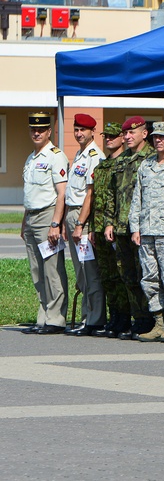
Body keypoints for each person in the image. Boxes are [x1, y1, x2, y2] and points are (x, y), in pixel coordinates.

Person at [130, 122, 164, 342]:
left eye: (163, 136)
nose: (158, 140)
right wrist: (135, 227)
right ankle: (158, 321)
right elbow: (137, 198)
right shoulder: (146, 165)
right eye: (155, 137)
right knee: (149, 278)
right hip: (147, 230)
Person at [104, 115, 154, 339]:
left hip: (142, 228)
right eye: (125, 133)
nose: (127, 136)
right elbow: (110, 193)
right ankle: (137, 317)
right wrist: (109, 221)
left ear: (144, 133)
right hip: (122, 227)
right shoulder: (122, 160)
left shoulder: (152, 157)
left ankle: (150, 318)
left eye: (132, 132)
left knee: (146, 275)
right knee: (127, 276)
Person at [20, 112, 69, 334]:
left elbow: (62, 193)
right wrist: (24, 222)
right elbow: (30, 193)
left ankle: (56, 318)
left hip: (48, 216)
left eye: (41, 129)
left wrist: (56, 223)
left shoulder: (55, 156)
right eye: (33, 129)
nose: (36, 132)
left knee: (52, 270)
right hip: (31, 217)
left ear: (49, 131)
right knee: (36, 271)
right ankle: (43, 316)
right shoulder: (31, 157)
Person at [63, 113, 106, 335]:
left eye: (83, 130)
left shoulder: (94, 156)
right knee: (80, 272)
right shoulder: (79, 154)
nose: (79, 133)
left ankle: (95, 319)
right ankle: (86, 316)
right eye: (76, 129)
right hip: (72, 215)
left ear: (92, 132)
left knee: (90, 271)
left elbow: (91, 194)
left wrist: (80, 223)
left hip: (83, 218)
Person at [90, 121, 130, 337]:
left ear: (122, 138)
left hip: (117, 227)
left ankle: (124, 317)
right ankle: (113, 315)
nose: (109, 140)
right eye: (106, 136)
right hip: (99, 226)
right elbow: (95, 198)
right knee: (107, 275)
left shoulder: (125, 163)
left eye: (113, 136)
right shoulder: (101, 166)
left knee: (120, 273)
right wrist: (90, 228)